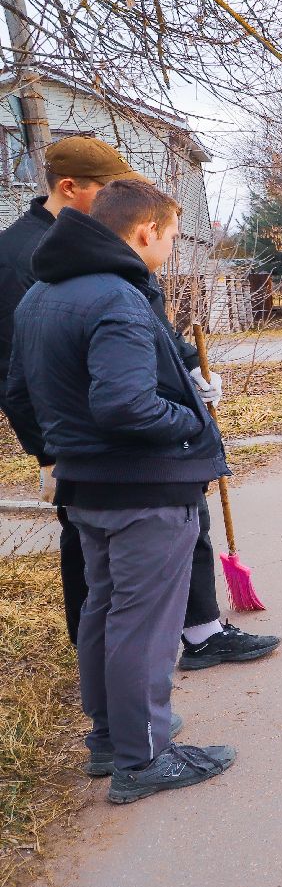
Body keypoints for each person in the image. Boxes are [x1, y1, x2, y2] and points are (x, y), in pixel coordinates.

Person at [0, 137, 277, 670]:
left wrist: (189, 369)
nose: (120, 198)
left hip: (148, 432)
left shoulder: (115, 248)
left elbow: (150, 322)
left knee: (186, 518)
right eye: (105, 189)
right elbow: (20, 369)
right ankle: (104, 661)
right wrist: (47, 452)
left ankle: (200, 630)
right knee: (97, 557)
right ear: (70, 189)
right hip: (93, 441)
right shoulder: (23, 258)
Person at [5, 179, 237, 802]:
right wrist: (194, 421)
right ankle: (144, 757)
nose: (168, 247)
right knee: (143, 624)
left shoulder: (40, 297)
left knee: (104, 612)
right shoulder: (120, 299)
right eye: (168, 236)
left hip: (84, 486)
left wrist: (62, 447)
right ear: (144, 234)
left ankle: (114, 737)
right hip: (144, 491)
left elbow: (19, 395)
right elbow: (125, 403)